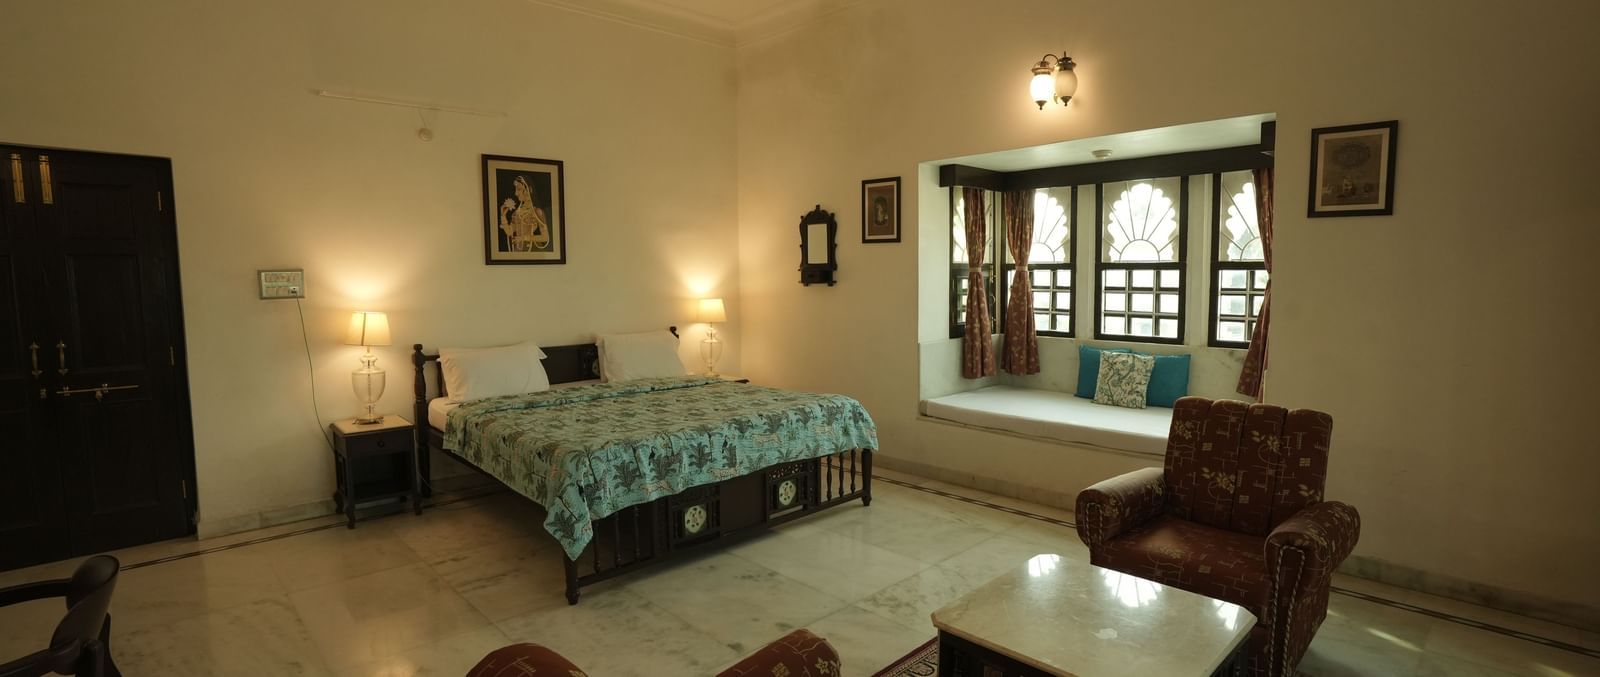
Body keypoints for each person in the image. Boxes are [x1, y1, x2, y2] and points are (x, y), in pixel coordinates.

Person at [498, 175, 551, 251]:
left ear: (529, 189)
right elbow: (509, 232)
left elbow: (545, 237)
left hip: (532, 250)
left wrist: (524, 238)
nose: (516, 193)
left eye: (519, 189)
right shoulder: (516, 213)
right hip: (517, 251)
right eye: (516, 190)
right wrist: (503, 215)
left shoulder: (537, 212)